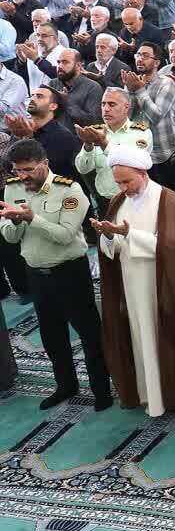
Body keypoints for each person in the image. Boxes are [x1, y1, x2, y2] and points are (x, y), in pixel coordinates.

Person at [94, 145, 175, 420]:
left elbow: (174, 247)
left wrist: (129, 234)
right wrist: (108, 236)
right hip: (132, 285)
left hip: (166, 285)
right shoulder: (118, 202)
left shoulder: (169, 201)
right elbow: (113, 250)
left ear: (143, 173)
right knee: (142, 339)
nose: (123, 188)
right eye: (118, 182)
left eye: (127, 181)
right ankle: (152, 396)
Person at [0, 140, 112, 410]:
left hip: (70, 273)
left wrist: (31, 219)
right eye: (18, 170)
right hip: (36, 274)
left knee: (89, 333)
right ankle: (66, 385)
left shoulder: (69, 190)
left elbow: (65, 235)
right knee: (52, 335)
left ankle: (101, 390)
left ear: (45, 164)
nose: (23, 176)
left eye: (28, 169)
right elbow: (10, 237)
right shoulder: (13, 188)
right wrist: (14, 222)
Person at [73, 88, 153, 205]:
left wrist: (103, 143)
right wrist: (88, 145)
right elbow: (83, 169)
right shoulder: (96, 131)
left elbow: (131, 163)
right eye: (103, 104)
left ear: (126, 107)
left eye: (112, 104)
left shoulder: (141, 133)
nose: (106, 109)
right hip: (105, 201)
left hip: (133, 198)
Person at [121, 41, 175, 191]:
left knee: (169, 198)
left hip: (163, 153)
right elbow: (126, 117)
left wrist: (139, 91)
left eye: (145, 56)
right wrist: (130, 91)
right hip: (140, 152)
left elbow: (156, 116)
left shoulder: (167, 84)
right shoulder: (132, 83)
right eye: (138, 55)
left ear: (157, 63)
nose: (140, 59)